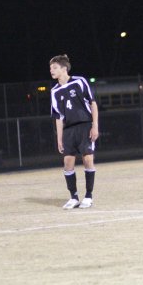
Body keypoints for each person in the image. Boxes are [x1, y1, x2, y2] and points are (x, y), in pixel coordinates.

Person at [49, 54, 99, 209]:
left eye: (55, 67)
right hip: (69, 130)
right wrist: (59, 138)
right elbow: (59, 117)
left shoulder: (79, 81)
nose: (51, 70)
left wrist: (95, 125)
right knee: (67, 163)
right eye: (50, 68)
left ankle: (88, 196)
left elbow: (93, 104)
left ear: (64, 69)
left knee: (88, 160)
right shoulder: (54, 91)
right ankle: (74, 197)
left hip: (85, 126)